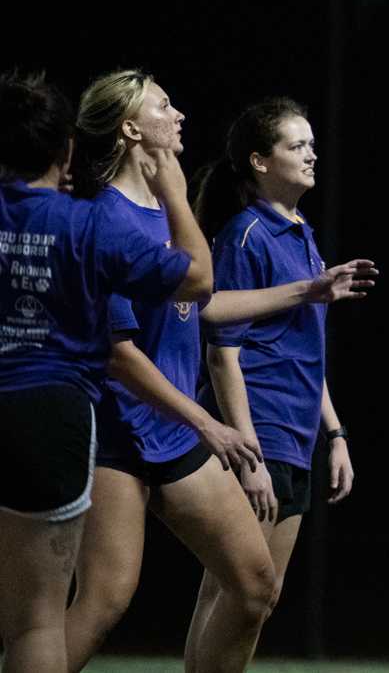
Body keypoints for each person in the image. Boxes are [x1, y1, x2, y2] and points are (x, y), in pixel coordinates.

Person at [62, 73, 374, 673]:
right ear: (130, 128)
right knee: (103, 602)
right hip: (121, 437)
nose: (178, 113)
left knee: (255, 586)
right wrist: (214, 425)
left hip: (175, 435)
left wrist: (311, 289)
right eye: (162, 105)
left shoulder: (165, 210)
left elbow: (201, 306)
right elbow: (119, 355)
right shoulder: (106, 216)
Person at [2, 68, 211, 673]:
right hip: (48, 418)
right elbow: (198, 277)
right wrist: (174, 189)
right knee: (36, 622)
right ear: (64, 151)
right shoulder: (89, 224)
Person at [183, 98, 366, 664]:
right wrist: (249, 453)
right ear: (260, 162)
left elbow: (306, 351)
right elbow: (222, 353)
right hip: (261, 432)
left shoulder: (301, 234)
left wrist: (334, 434)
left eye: (312, 144)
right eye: (297, 145)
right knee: (249, 594)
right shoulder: (246, 235)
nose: (312, 153)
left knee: (240, 593)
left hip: (294, 433)